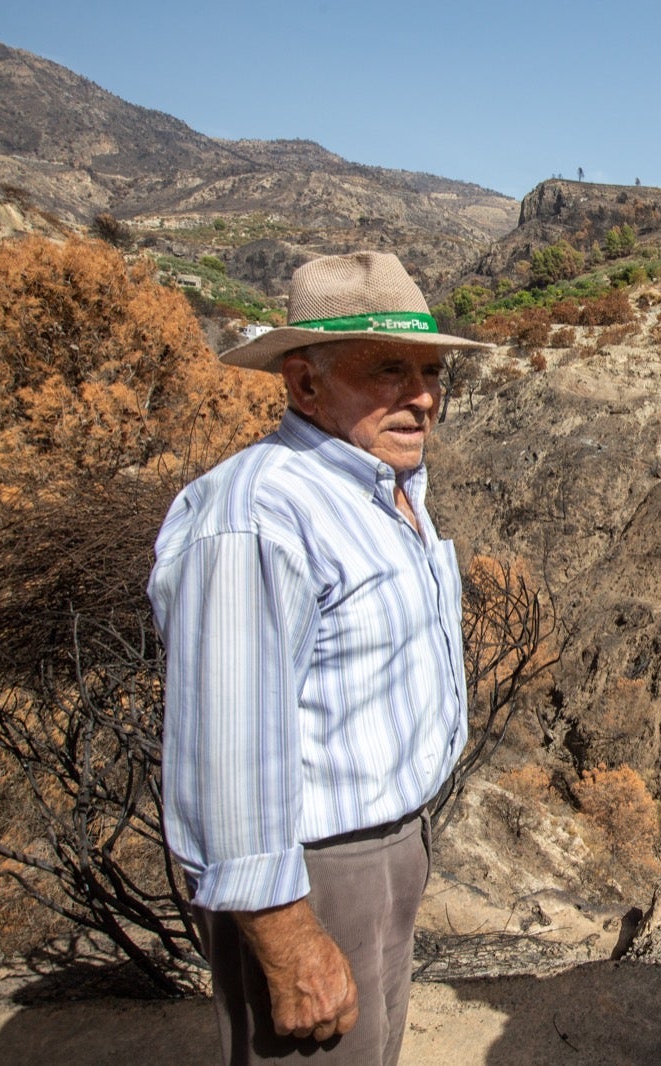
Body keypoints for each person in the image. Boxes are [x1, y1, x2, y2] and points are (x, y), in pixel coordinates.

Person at [149, 251, 491, 1063]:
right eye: (388, 371)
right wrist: (289, 941)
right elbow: (225, 756)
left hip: (387, 850)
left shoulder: (379, 486)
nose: (422, 396)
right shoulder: (259, 519)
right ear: (304, 384)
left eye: (431, 371)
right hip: (312, 878)